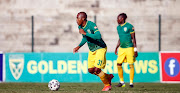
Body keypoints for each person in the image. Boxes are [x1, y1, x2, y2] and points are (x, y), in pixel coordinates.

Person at [73, 12, 114, 91]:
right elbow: (85, 37)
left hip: (100, 48)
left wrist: (85, 33)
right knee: (91, 70)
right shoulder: (80, 27)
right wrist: (78, 46)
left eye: (77, 18)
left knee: (97, 69)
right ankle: (108, 77)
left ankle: (107, 85)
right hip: (92, 50)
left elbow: (98, 36)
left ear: (83, 19)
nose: (76, 20)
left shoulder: (91, 25)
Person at [114, 13, 138, 88]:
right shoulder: (118, 27)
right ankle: (122, 82)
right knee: (118, 64)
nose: (117, 20)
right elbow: (120, 38)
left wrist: (135, 49)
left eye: (118, 18)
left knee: (131, 64)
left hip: (129, 48)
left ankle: (131, 83)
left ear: (122, 19)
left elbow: (134, 38)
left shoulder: (130, 26)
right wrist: (116, 47)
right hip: (122, 48)